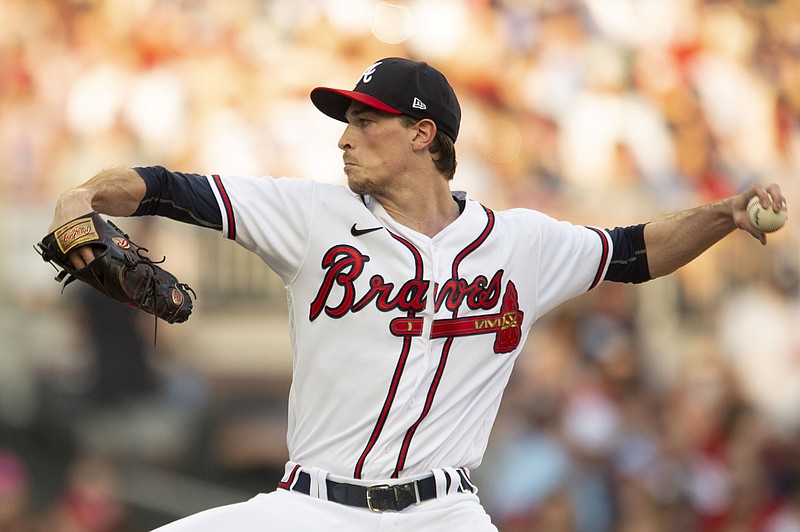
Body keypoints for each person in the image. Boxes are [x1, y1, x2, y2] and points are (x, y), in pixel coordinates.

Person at [47, 57, 787, 531]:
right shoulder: (311, 217)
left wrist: (721, 215)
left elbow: (634, 252)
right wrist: (82, 193)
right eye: (347, 123)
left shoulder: (518, 245)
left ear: (422, 134)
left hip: (444, 513)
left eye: (366, 121)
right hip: (312, 509)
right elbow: (170, 190)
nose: (345, 137)